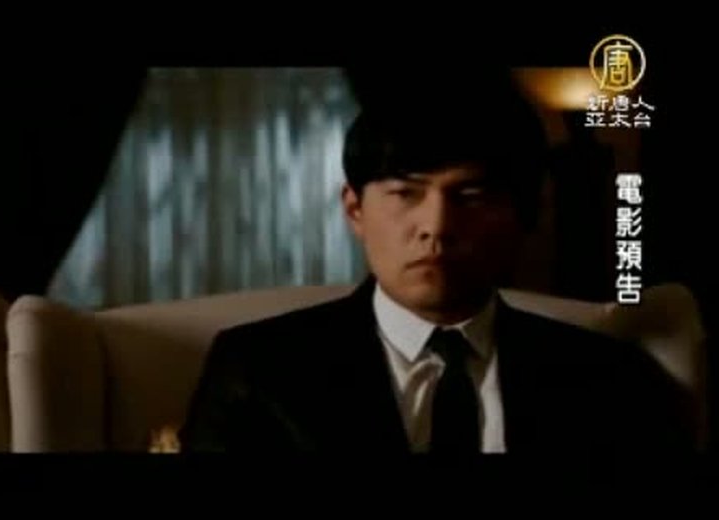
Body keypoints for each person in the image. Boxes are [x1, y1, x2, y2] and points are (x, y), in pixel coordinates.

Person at [179, 70, 694, 453]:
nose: (437, 227)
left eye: (470, 197)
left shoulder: (609, 379)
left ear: (526, 213)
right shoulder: (259, 369)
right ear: (355, 210)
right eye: (405, 193)